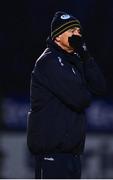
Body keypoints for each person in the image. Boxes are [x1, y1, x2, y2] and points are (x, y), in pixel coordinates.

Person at [27, 11, 105, 179]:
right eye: (71, 31)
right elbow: (81, 99)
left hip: (72, 155)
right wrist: (85, 88)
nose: (77, 35)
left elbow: (99, 86)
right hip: (52, 155)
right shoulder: (48, 62)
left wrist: (86, 55)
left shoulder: (75, 60)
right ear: (57, 36)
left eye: (79, 31)